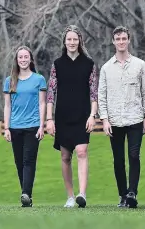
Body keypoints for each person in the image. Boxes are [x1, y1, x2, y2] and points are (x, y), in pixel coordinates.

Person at [98, 26, 145, 208]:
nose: (121, 42)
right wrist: (104, 119)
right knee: (118, 159)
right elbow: (101, 95)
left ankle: (132, 193)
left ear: (129, 40)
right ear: (113, 41)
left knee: (134, 155)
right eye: (118, 39)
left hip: (135, 117)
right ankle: (122, 194)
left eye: (124, 38)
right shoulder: (106, 68)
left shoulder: (140, 65)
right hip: (115, 120)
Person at [46, 25, 98, 208]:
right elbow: (50, 93)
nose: (72, 42)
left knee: (82, 151)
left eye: (75, 39)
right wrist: (49, 119)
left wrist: (93, 115)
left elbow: (94, 93)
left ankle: (82, 194)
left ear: (80, 41)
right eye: (69, 39)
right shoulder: (57, 65)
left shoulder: (89, 64)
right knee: (65, 156)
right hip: (62, 115)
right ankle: (70, 196)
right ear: (64, 42)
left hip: (83, 114)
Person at [2, 46, 47, 207]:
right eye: (20, 57)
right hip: (15, 127)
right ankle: (26, 196)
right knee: (19, 161)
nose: (23, 60)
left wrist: (42, 125)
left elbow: (42, 103)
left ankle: (26, 193)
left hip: (33, 126)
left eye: (25, 57)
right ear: (17, 60)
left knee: (29, 160)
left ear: (30, 59)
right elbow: (7, 106)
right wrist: (6, 128)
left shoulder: (39, 79)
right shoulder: (9, 81)